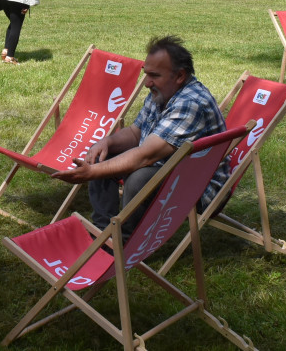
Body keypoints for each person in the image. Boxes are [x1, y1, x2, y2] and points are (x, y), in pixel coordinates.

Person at [53, 36, 225, 240]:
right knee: (101, 155)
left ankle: (124, 241)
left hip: (197, 187)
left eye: (154, 75)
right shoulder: (163, 91)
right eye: (146, 74)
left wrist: (92, 172)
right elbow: (136, 132)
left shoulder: (190, 104)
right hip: (169, 169)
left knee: (140, 178)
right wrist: (106, 142)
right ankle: (102, 233)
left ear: (180, 76)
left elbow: (145, 156)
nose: (146, 83)